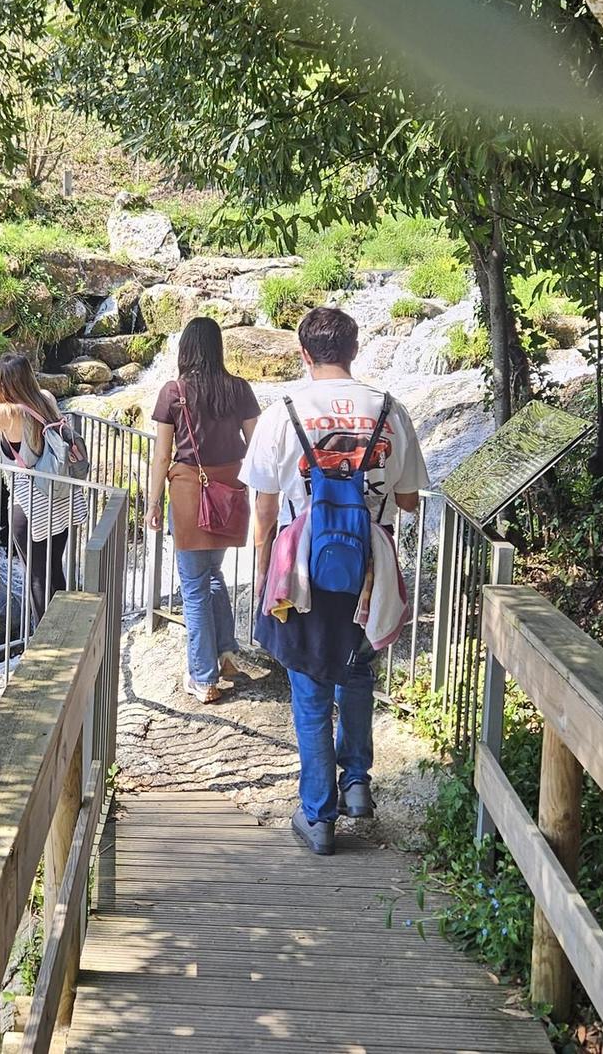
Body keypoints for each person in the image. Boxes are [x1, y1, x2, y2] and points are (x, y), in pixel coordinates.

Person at [240, 306, 428, 856]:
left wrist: (261, 571)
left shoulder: (284, 412)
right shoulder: (391, 411)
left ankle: (319, 816)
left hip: (302, 570)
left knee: (309, 680)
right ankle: (357, 782)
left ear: (304, 353)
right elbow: (411, 500)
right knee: (356, 669)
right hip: (368, 568)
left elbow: (266, 505)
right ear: (354, 351)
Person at [145, 316, 262, 704]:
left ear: (185, 348)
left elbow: (162, 455)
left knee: (194, 588)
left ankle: (203, 676)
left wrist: (152, 504)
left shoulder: (174, 392)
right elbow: (257, 446)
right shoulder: (239, 389)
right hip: (229, 492)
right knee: (213, 575)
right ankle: (226, 653)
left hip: (189, 494)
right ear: (218, 348)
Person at [0, 351, 79, 626]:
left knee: (35, 576)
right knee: (54, 568)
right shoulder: (46, 399)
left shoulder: (9, 414)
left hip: (30, 505)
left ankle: (46, 641)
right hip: (59, 497)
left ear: (3, 384)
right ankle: (64, 627)